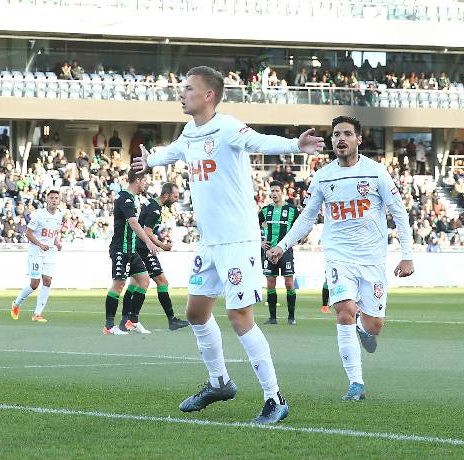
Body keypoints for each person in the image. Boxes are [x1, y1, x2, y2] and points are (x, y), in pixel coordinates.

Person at [132, 65, 325, 424]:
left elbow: (258, 141)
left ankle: (274, 398)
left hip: (238, 240)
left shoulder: (228, 126)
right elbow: (172, 152)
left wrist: (294, 145)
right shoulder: (190, 132)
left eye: (189, 88)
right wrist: (150, 161)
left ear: (209, 95)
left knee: (239, 317)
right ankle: (220, 382)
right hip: (210, 243)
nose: (182, 93)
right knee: (195, 313)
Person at [267, 116, 414, 401]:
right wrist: (282, 245)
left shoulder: (377, 173)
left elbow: (399, 213)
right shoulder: (324, 176)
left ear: (359, 139)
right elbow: (308, 216)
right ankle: (356, 383)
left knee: (374, 326)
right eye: (336, 134)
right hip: (338, 257)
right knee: (344, 310)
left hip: (372, 259)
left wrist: (407, 256)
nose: (341, 138)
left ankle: (364, 327)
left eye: (347, 133)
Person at [104, 169, 160, 335]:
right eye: (144, 180)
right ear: (137, 180)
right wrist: (149, 242)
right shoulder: (125, 198)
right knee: (119, 284)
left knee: (144, 280)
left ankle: (132, 321)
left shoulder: (133, 198)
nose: (146, 183)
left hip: (131, 249)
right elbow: (134, 224)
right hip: (120, 248)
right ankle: (108, 326)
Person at [136, 182, 190, 330]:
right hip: (144, 248)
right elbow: (147, 231)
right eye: (175, 196)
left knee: (136, 284)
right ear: (166, 195)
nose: (176, 199)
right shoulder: (155, 210)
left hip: (139, 247)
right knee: (162, 282)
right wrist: (162, 245)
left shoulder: (151, 203)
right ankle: (172, 320)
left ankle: (129, 320)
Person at [11, 190, 64, 323]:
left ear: (59, 200)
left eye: (56, 198)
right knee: (35, 284)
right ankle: (16, 303)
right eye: (51, 198)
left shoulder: (59, 215)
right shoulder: (39, 215)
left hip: (50, 253)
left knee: (47, 281)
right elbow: (28, 234)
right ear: (47, 200)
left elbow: (55, 232)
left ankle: (37, 313)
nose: (54, 200)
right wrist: (40, 244)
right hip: (36, 252)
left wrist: (57, 242)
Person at [259, 180, 300, 325]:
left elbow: (302, 227)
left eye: (277, 191)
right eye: (272, 191)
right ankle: (272, 318)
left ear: (282, 192)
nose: (274, 193)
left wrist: (297, 240)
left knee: (289, 283)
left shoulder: (292, 210)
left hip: (285, 251)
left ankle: (291, 317)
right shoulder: (265, 211)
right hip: (269, 251)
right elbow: (252, 227)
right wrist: (261, 241)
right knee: (270, 283)